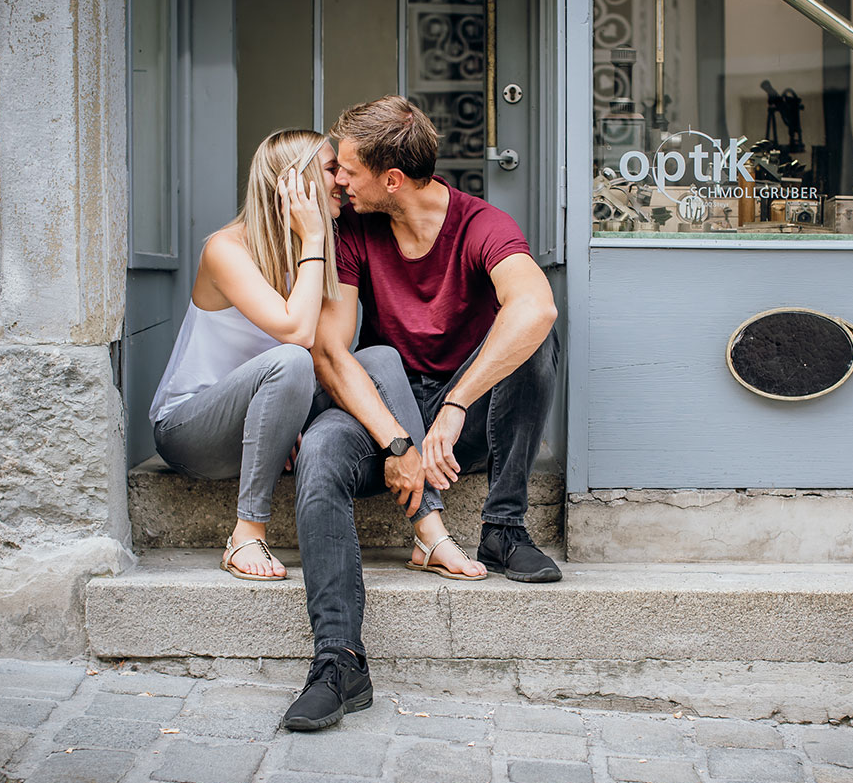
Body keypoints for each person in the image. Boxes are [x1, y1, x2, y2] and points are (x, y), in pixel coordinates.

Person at [281, 96, 559, 732]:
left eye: (347, 170)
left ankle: (504, 527)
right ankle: (339, 662)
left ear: (392, 179)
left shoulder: (481, 224)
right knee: (323, 451)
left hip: (462, 428)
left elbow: (535, 307)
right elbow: (331, 349)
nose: (338, 179)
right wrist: (396, 439)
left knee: (538, 339)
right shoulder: (353, 234)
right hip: (386, 413)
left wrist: (458, 403)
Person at [147, 129, 339, 582]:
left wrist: (292, 416)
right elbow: (297, 333)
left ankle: (426, 522)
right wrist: (314, 240)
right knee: (293, 359)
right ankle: (246, 533)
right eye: (331, 170)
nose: (342, 182)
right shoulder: (225, 249)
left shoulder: (307, 253)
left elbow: (325, 351)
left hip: (253, 430)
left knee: (374, 361)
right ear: (297, 182)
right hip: (189, 431)